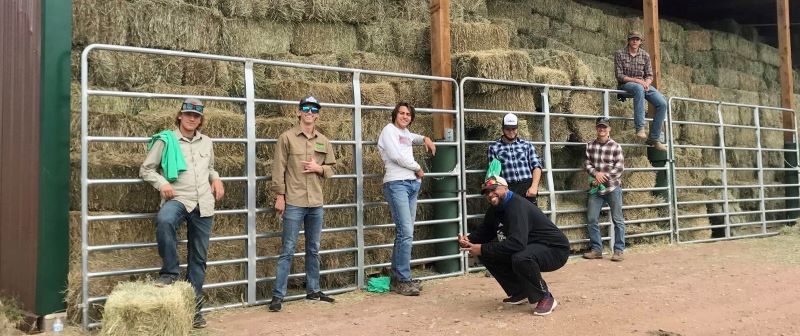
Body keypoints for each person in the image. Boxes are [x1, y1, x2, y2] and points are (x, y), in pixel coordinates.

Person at [140, 98, 225, 329]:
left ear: (200, 120)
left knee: (198, 259)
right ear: (180, 116)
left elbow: (209, 168)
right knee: (165, 220)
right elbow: (146, 169)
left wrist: (216, 178)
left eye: (196, 116)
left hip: (203, 204)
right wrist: (161, 183)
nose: (191, 119)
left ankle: (195, 311)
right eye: (188, 114)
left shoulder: (207, 142)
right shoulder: (166, 140)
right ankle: (169, 272)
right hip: (178, 198)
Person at [458, 176, 570, 316]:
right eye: (487, 192)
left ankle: (545, 297)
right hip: (532, 246)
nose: (490, 194)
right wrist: (468, 240)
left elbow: (517, 243)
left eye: (494, 189)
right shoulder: (495, 210)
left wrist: (481, 248)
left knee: (521, 257)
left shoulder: (517, 206)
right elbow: (485, 232)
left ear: (505, 188)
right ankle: (520, 291)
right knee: (488, 254)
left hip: (555, 250)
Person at [268, 96, 337, 312]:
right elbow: (278, 168)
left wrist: (320, 169)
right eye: (305, 108)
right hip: (295, 201)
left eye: (314, 109)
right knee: (288, 249)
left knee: (313, 248)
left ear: (317, 114)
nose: (309, 112)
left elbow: (332, 169)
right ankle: (278, 296)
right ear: (298, 112)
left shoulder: (323, 141)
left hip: (316, 202)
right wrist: (280, 195)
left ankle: (313, 290)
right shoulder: (286, 137)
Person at [377, 102, 436, 296]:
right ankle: (403, 279)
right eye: (402, 113)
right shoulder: (389, 130)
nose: (405, 116)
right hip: (397, 184)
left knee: (405, 232)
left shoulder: (405, 133)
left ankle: (398, 277)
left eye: (408, 114)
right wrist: (418, 168)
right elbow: (395, 156)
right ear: (395, 114)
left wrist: (426, 138)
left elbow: (414, 138)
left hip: (410, 185)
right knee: (406, 232)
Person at [614, 31, 667, 151]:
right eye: (632, 39)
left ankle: (654, 138)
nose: (635, 41)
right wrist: (639, 82)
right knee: (638, 88)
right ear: (628, 40)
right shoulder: (620, 54)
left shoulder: (645, 55)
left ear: (640, 41)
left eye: (637, 39)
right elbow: (620, 76)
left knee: (663, 103)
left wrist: (647, 83)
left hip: (643, 85)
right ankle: (640, 128)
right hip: (626, 85)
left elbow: (649, 75)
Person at [582, 117, 626, 262]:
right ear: (596, 128)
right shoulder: (590, 145)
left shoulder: (615, 147)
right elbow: (587, 164)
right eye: (600, 127)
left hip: (612, 187)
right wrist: (596, 174)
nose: (602, 129)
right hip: (596, 188)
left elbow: (619, 168)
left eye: (605, 127)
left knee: (617, 219)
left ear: (609, 129)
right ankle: (597, 249)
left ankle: (618, 250)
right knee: (592, 218)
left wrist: (603, 176)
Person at [487, 113, 543, 206]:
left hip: (527, 186)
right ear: (502, 129)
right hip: (508, 188)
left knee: (529, 218)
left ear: (517, 128)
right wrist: (501, 191)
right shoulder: (494, 147)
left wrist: (534, 187)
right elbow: (494, 174)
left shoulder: (527, 145)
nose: (511, 132)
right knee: (511, 218)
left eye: (513, 129)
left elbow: (536, 166)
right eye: (508, 129)